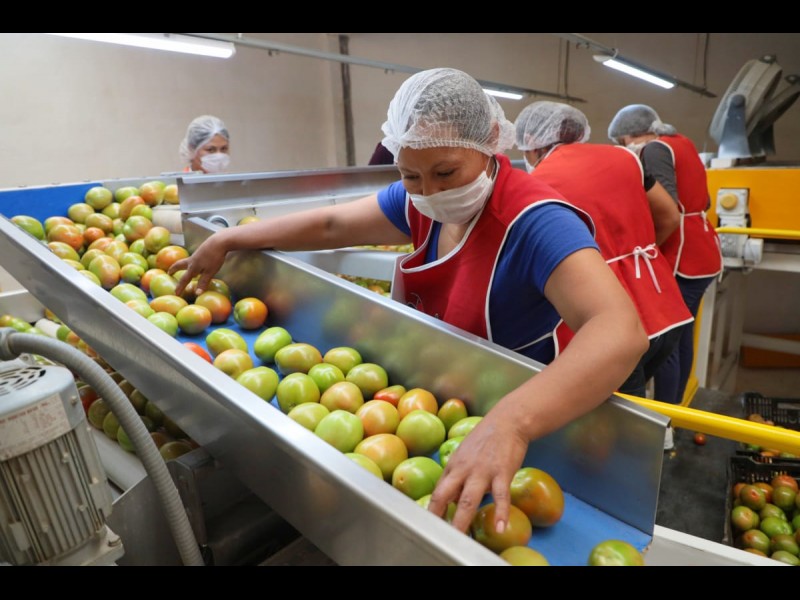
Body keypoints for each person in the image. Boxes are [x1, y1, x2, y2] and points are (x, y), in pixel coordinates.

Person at [169, 68, 648, 533]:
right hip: (435, 404)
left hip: (520, 417)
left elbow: (620, 331)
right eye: (410, 175)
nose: (429, 192)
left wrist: (513, 424)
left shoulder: (536, 221)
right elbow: (333, 225)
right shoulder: (421, 201)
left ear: (489, 143)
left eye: (446, 172)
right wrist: (230, 238)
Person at [515, 101, 693, 401]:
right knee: (641, 407)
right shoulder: (626, 157)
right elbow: (670, 216)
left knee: (622, 418)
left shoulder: (538, 184)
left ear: (531, 141)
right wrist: (638, 251)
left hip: (615, 325)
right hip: (666, 306)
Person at [608, 105, 723, 416]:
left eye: (622, 142)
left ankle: (663, 419)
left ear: (631, 135)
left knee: (667, 337)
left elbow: (667, 208)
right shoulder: (682, 142)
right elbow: (705, 199)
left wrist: (647, 249)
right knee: (682, 335)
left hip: (683, 255)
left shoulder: (655, 150)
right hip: (704, 248)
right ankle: (675, 409)